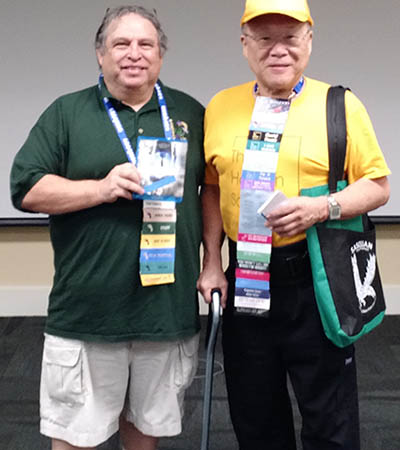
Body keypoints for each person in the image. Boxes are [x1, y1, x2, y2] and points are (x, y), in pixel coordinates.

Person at [197, 0, 390, 449]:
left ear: (309, 41)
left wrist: (322, 208)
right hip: (244, 279)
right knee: (255, 417)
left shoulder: (339, 104)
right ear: (245, 45)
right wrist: (211, 262)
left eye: (290, 37)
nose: (277, 50)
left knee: (330, 421)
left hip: (315, 281)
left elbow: (378, 187)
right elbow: (211, 187)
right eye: (265, 39)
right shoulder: (221, 106)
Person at [10, 5, 204, 450]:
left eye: (145, 44)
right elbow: (26, 188)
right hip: (87, 312)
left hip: (165, 311)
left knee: (144, 436)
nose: (133, 53)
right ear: (100, 54)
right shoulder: (66, 113)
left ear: (160, 55)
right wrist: (100, 189)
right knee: (75, 438)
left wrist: (213, 261)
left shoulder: (190, 114)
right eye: (121, 43)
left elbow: (211, 191)